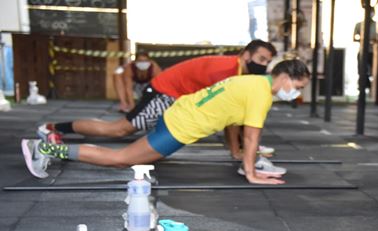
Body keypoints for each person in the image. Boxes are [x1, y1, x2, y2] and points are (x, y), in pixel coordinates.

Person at [21, 60, 310, 185]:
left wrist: (245, 161)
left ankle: (48, 147)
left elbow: (234, 123)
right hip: (179, 127)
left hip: (177, 114)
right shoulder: (261, 94)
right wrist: (250, 172)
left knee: (124, 157)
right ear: (284, 77)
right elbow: (251, 137)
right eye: (297, 84)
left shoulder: (254, 82)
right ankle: (45, 149)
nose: (297, 92)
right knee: (121, 159)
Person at [38, 40, 278, 160]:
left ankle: (53, 134)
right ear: (245, 54)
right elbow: (228, 117)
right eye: (261, 58)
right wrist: (237, 151)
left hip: (176, 97)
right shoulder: (226, 71)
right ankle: (51, 129)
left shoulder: (238, 70)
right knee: (119, 130)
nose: (263, 64)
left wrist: (237, 149)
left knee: (126, 139)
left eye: (268, 61)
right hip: (166, 93)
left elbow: (228, 116)